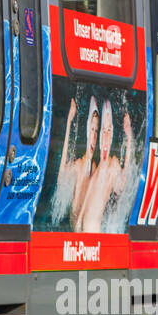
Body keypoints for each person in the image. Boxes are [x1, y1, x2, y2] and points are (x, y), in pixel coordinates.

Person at [77, 99, 134, 232]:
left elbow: (124, 182)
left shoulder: (112, 164)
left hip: (94, 233)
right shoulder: (97, 167)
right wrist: (79, 219)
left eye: (109, 130)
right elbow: (88, 195)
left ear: (113, 133)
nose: (106, 135)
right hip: (85, 234)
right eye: (103, 130)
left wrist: (129, 136)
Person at [57, 96, 100, 226]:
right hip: (75, 228)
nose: (94, 136)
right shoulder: (79, 165)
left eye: (97, 131)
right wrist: (69, 123)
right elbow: (61, 178)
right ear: (87, 131)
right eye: (92, 130)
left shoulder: (93, 166)